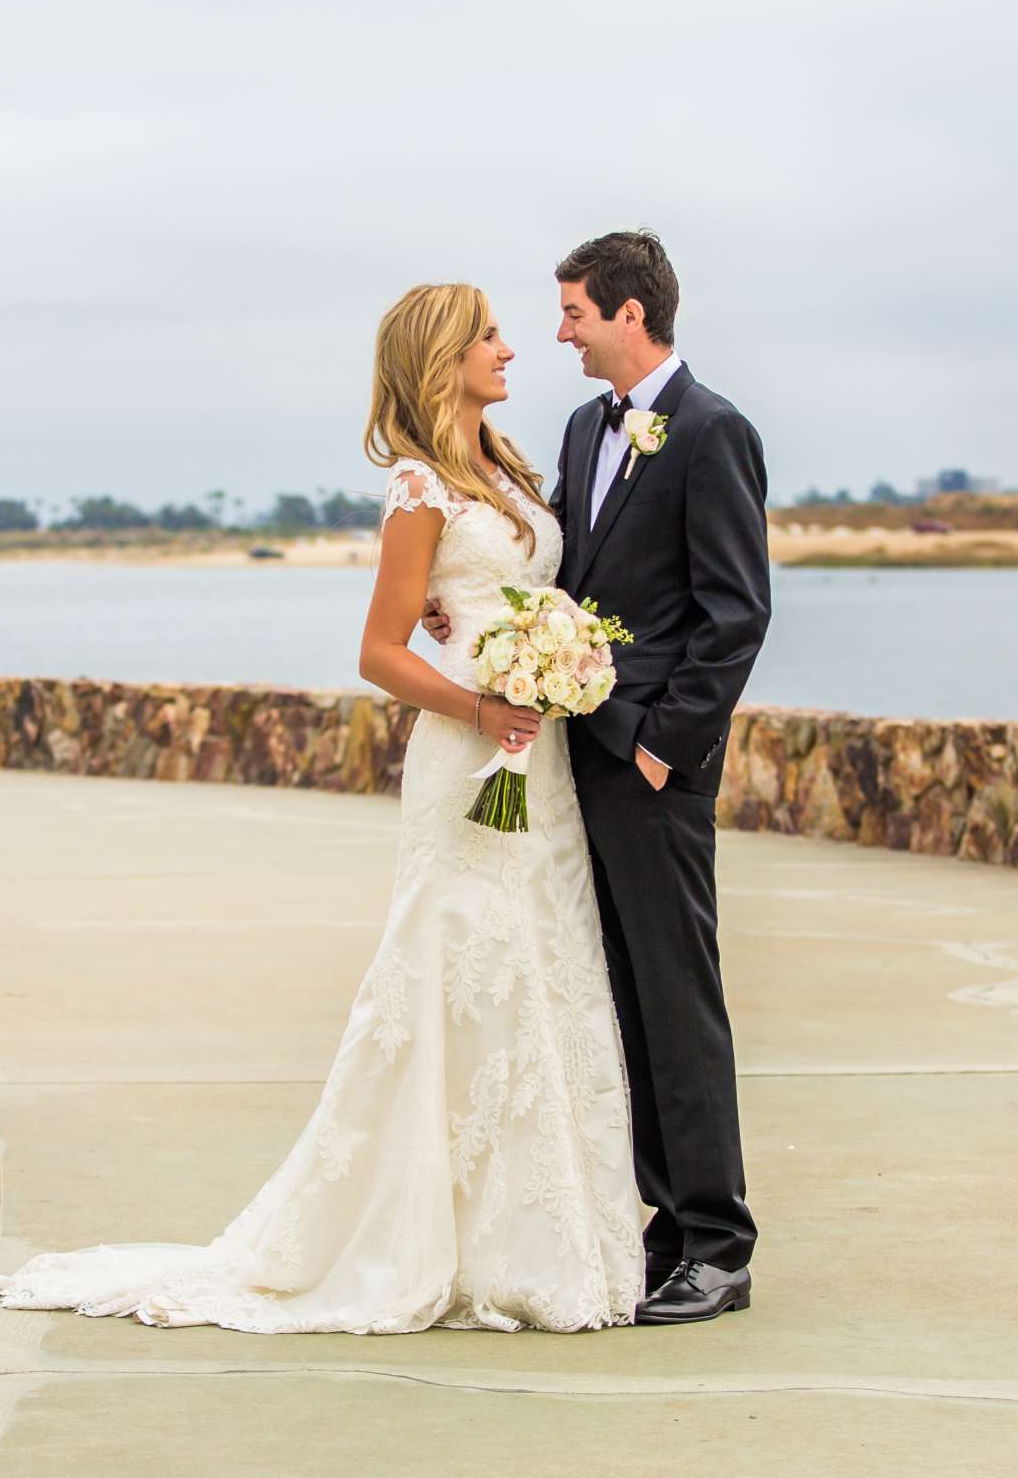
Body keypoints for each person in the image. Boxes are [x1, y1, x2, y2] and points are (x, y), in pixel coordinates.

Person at [0, 282, 645, 1332]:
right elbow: (378, 651)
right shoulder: (421, 487)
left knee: (543, 969)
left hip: (540, 762)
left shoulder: (511, 467)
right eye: (488, 335)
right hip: (470, 768)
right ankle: (412, 1236)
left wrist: (554, 660)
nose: (510, 347)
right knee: (454, 979)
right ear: (443, 356)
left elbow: (503, 596)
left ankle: (541, 1238)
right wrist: (481, 700)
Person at [428, 230, 771, 1324]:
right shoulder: (582, 429)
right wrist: (463, 605)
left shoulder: (716, 433)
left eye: (573, 311)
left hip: (656, 766)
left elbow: (735, 612)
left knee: (679, 1000)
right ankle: (665, 1230)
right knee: (623, 1000)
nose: (558, 331)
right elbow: (560, 574)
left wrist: (668, 744)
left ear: (630, 314)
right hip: (581, 753)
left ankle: (719, 1244)